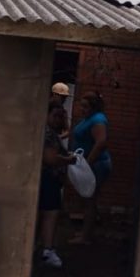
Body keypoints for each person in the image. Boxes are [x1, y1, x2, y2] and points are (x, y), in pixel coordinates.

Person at [70, 91, 111, 245]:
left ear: (94, 107)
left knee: (90, 200)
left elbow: (101, 143)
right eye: (81, 106)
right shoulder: (89, 119)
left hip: (96, 165)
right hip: (88, 164)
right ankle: (86, 232)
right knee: (87, 198)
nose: (82, 109)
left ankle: (85, 237)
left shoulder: (98, 120)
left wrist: (86, 164)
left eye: (86, 107)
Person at [38, 104, 75, 267]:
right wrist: (68, 160)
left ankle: (45, 247)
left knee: (49, 212)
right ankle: (47, 250)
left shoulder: (53, 133)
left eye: (61, 117)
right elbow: (50, 159)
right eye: (56, 116)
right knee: (50, 213)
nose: (59, 120)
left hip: (51, 179)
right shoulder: (47, 133)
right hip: (48, 178)